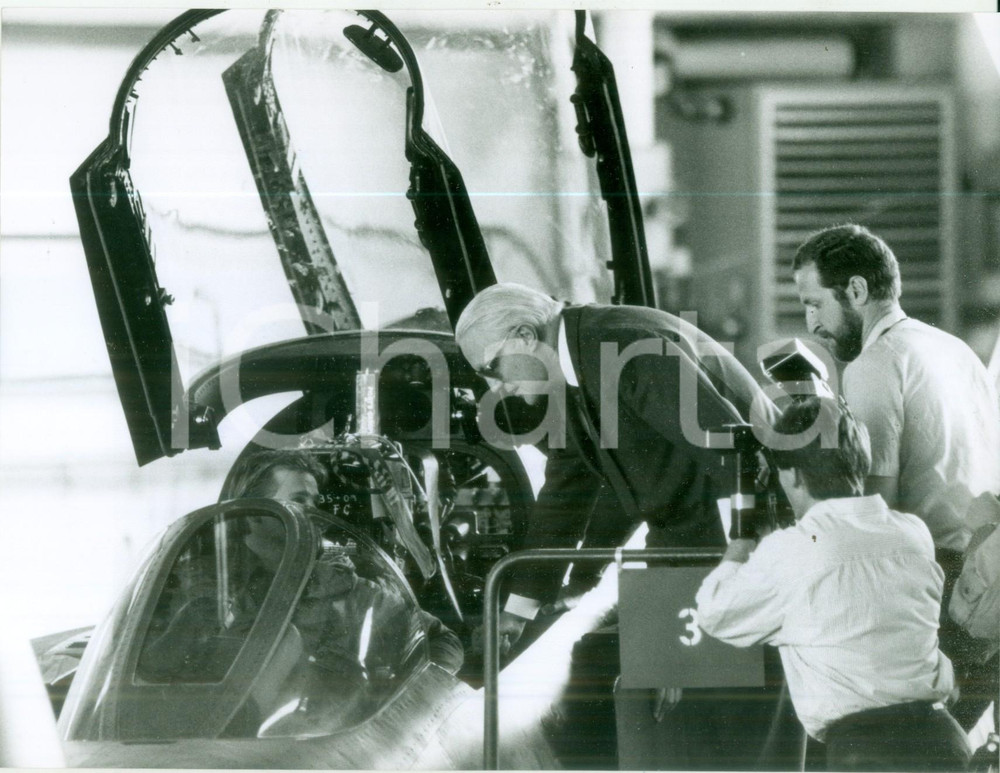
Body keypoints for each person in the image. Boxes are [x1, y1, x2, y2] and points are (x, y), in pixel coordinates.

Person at [455, 283, 775, 649]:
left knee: (655, 678)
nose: (497, 386)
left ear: (525, 336)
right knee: (634, 671)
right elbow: (566, 494)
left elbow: (738, 453)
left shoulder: (618, 347)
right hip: (690, 532)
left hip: (732, 534)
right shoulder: (573, 364)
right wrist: (520, 610)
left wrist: (744, 554)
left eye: (493, 367)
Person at [792, 223, 1000, 729]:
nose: (810, 321)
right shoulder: (955, 350)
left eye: (815, 303)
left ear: (857, 291)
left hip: (939, 595)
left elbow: (872, 515)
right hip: (988, 581)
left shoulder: (875, 363)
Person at [696, 395, 971, 772]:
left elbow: (714, 611)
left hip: (867, 754)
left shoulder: (789, 550)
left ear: (791, 474)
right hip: (945, 742)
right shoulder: (913, 533)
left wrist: (744, 542)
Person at [220, 447, 464, 676]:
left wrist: (410, 691)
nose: (314, 513)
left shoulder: (340, 586)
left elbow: (440, 639)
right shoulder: (211, 588)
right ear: (255, 510)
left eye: (314, 502)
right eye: (300, 500)